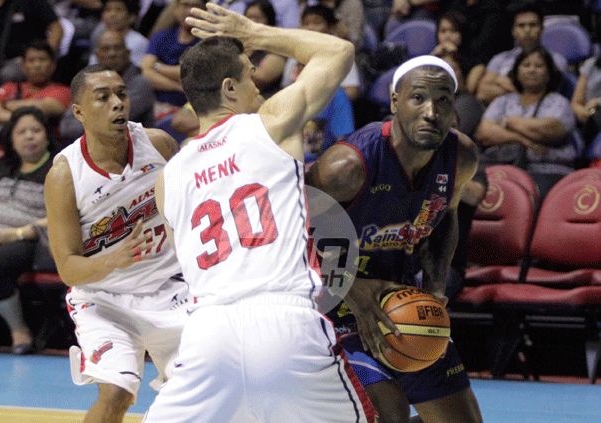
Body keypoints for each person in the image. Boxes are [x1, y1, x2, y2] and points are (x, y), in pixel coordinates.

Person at [144, 4, 375, 422]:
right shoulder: (270, 122)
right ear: (230, 88)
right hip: (284, 320)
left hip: (207, 332)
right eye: (252, 76)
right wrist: (254, 31)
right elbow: (338, 51)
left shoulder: (170, 175)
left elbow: (184, 263)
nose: (260, 87)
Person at [306, 55, 483, 423]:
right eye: (418, 98)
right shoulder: (348, 167)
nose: (431, 112)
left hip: (404, 301)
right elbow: (288, 227)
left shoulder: (460, 157)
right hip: (333, 307)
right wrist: (349, 286)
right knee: (390, 415)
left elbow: (446, 218)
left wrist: (435, 289)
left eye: (443, 100)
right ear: (394, 102)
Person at [44, 64, 189, 423]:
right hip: (104, 300)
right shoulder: (65, 174)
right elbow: (67, 267)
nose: (117, 103)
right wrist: (115, 259)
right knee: (116, 395)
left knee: (205, 389)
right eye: (103, 97)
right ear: (78, 111)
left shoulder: (158, 144)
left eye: (121, 94)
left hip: (172, 291)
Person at [0, 106, 55, 352]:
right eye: (21, 132)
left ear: (46, 135)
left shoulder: (58, 169)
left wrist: (19, 232)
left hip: (33, 238)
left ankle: (19, 330)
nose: (29, 136)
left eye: (35, 130)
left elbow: (61, 215)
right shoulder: (2, 166)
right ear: (11, 139)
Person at [475, 47, 577, 198]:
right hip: (502, 165)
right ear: (516, 71)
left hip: (546, 170)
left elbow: (552, 130)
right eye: (526, 65)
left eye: (539, 66)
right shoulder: (503, 101)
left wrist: (510, 123)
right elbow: (485, 132)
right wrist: (522, 139)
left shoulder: (559, 102)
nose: (532, 70)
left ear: (549, 73)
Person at [60, 30, 155, 145]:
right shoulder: (88, 84)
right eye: (106, 49)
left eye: (117, 48)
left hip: (136, 147)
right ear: (97, 55)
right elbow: (67, 127)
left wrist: (89, 119)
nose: (112, 54)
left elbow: (113, 122)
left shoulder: (141, 84)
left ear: (128, 53)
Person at [476, 1, 567, 105]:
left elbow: (541, 96)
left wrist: (502, 82)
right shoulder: (500, 59)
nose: (527, 30)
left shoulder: (556, 60)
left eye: (533, 25)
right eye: (521, 26)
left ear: (541, 29)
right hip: (500, 116)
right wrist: (523, 90)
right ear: (513, 31)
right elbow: (482, 93)